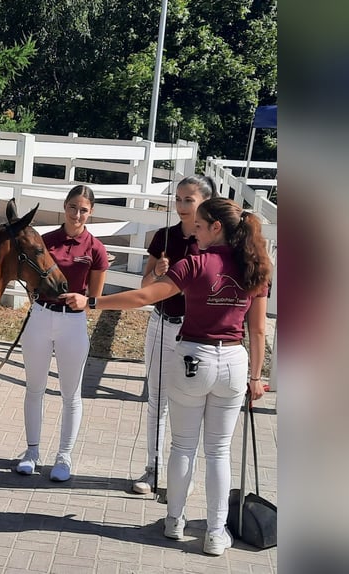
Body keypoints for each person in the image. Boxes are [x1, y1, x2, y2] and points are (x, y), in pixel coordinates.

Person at [67, 197, 271, 556]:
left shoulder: (196, 263)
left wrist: (93, 302)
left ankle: (174, 521)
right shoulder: (254, 267)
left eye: (200, 225)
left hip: (193, 356)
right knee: (218, 451)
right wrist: (256, 377)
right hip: (234, 364)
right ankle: (214, 531)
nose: (194, 230)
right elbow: (257, 331)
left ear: (216, 227)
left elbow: (145, 295)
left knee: (182, 446)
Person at [15, 185, 109, 482]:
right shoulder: (46, 240)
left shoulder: (95, 248)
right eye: (72, 207)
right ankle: (31, 452)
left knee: (71, 394)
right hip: (41, 316)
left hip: (73, 322)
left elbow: (94, 296)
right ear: (64, 207)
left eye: (83, 209)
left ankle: (64, 457)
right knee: (35, 388)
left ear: (90, 212)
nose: (77, 214)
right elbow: (31, 276)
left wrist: (81, 302)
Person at [132, 175, 219, 495]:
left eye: (189, 200)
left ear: (205, 203)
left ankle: (183, 473)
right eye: (178, 199)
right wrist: (157, 272)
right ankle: (152, 469)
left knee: (188, 404)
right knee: (156, 399)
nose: (181, 206)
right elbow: (145, 288)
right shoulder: (163, 237)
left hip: (194, 332)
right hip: (160, 322)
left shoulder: (211, 242)